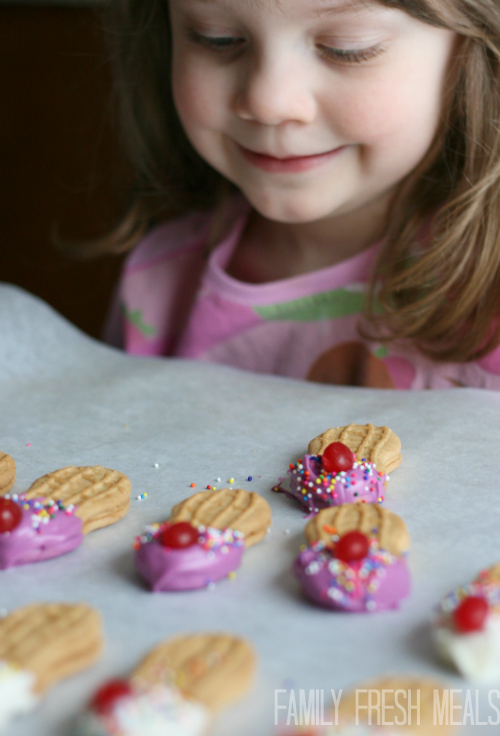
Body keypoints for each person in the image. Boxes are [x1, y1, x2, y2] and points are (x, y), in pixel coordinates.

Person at [95, 0, 500, 389]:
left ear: (468, 46)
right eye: (216, 38)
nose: (268, 102)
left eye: (346, 48)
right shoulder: (156, 283)